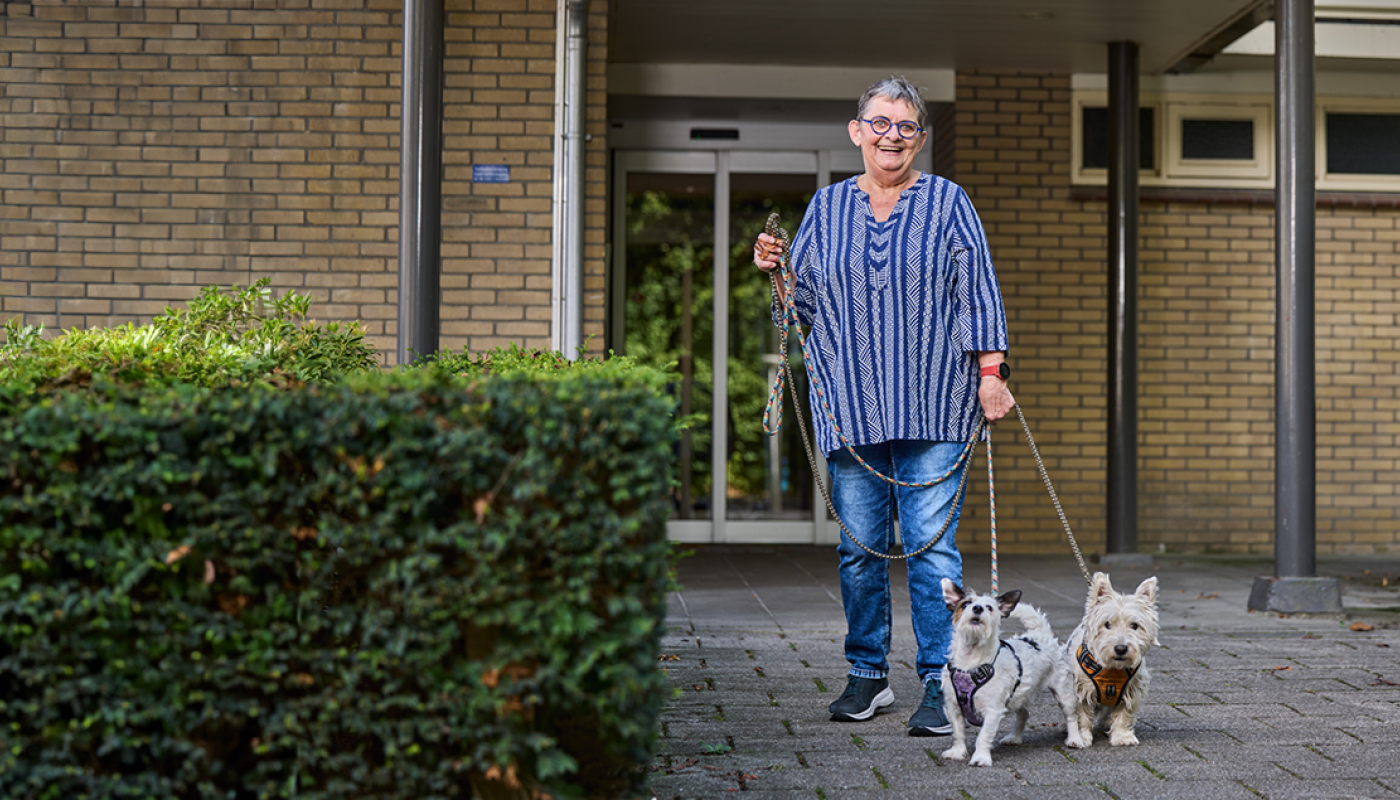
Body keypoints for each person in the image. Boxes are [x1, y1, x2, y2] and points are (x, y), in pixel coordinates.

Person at [753, 75, 1014, 737]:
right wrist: (774, 271)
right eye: (880, 123)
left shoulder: (950, 202)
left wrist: (991, 374)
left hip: (935, 402)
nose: (891, 136)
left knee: (932, 552)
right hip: (850, 404)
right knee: (861, 549)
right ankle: (868, 673)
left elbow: (977, 291)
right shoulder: (826, 207)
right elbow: (799, 309)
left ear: (920, 138)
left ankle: (942, 681)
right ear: (856, 131)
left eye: (904, 126)